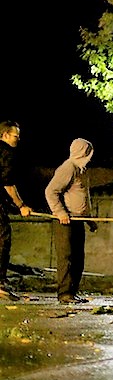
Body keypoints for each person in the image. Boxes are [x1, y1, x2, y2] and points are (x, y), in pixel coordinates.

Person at [45, 138, 98, 304]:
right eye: (88, 152)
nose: (90, 156)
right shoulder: (68, 168)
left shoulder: (82, 170)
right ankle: (64, 294)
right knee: (66, 257)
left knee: (78, 258)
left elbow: (82, 197)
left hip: (78, 220)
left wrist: (89, 220)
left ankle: (73, 292)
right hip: (65, 221)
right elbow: (50, 191)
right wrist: (60, 212)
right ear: (82, 152)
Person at [0, 121, 32, 301]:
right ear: (5, 135)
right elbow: (8, 184)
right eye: (15, 136)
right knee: (3, 239)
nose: (18, 139)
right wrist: (21, 206)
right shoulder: (6, 153)